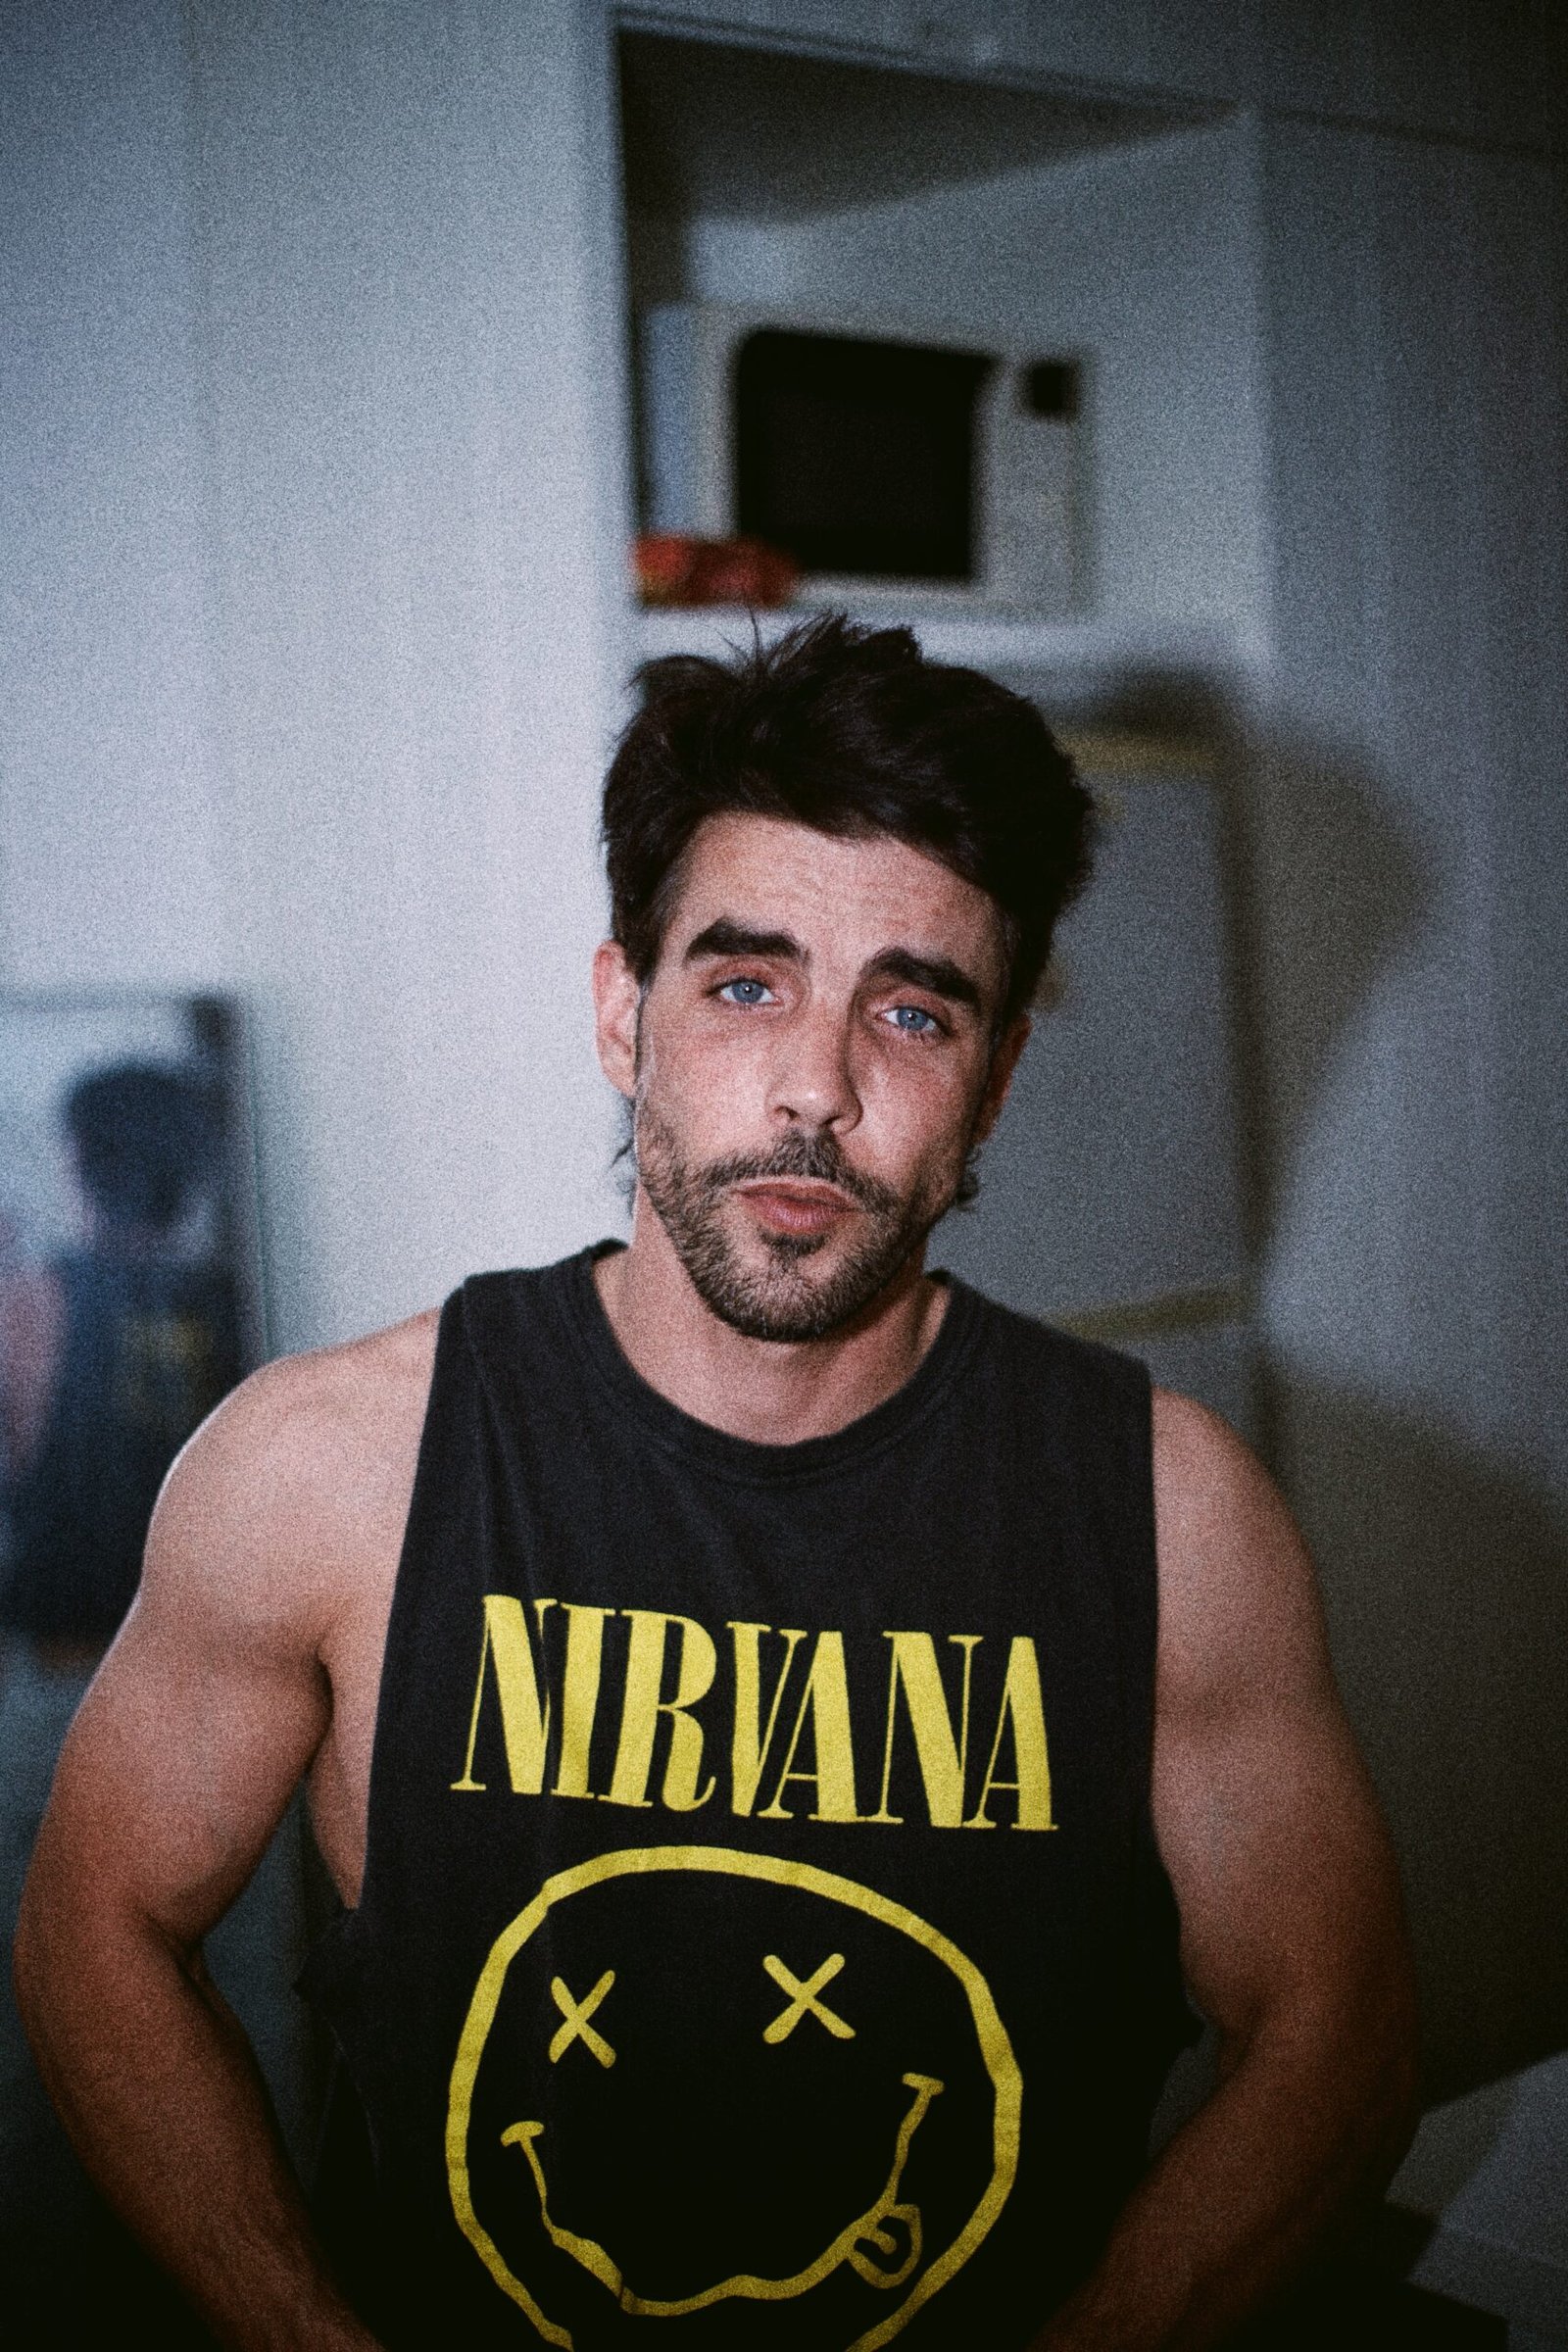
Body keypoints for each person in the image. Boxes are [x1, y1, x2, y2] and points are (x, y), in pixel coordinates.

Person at [16, 617, 1418, 2351]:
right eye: (747, 986)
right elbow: (95, 1924)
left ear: (993, 1083)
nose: (818, 1087)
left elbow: (1338, 2032)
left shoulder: (1171, 1520)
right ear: (626, 1013)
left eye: (912, 1011)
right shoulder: (332, 1470)